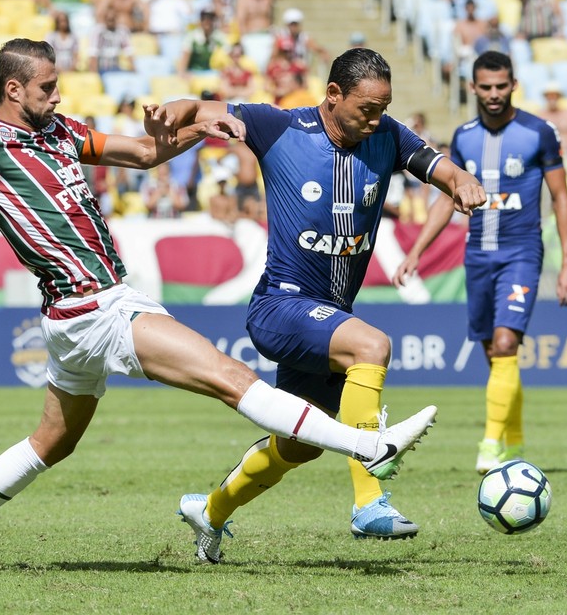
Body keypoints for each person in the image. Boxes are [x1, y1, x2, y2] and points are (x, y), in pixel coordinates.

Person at [0, 38, 438, 571]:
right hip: (97, 309)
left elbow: (145, 154)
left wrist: (180, 132)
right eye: (48, 86)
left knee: (52, 442)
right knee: (232, 380)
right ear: (13, 89)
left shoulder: (62, 133)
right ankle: (366, 445)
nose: (58, 95)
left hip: (74, 318)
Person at [151, 48, 485, 561]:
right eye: (367, 109)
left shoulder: (388, 136)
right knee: (371, 345)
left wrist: (460, 180)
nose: (376, 119)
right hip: (280, 307)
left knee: (299, 445)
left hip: (328, 317)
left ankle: (210, 511)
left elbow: (435, 165)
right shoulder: (277, 126)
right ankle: (369, 502)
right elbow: (200, 110)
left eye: (383, 107)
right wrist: (174, 110)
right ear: (333, 95)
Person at [393, 51, 567, 475]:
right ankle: (513, 439)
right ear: (473, 88)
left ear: (513, 85)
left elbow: (562, 196)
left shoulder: (539, 132)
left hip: (522, 252)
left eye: (501, 86)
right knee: (494, 354)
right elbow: (449, 198)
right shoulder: (463, 137)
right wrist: (416, 252)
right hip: (478, 255)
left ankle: (491, 444)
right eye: (486, 87)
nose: (494, 94)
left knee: (505, 344)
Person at [536, 82, 567, 159]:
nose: (552, 98)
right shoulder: (540, 116)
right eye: (550, 96)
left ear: (559, 97)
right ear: (545, 97)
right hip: (547, 156)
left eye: (555, 95)